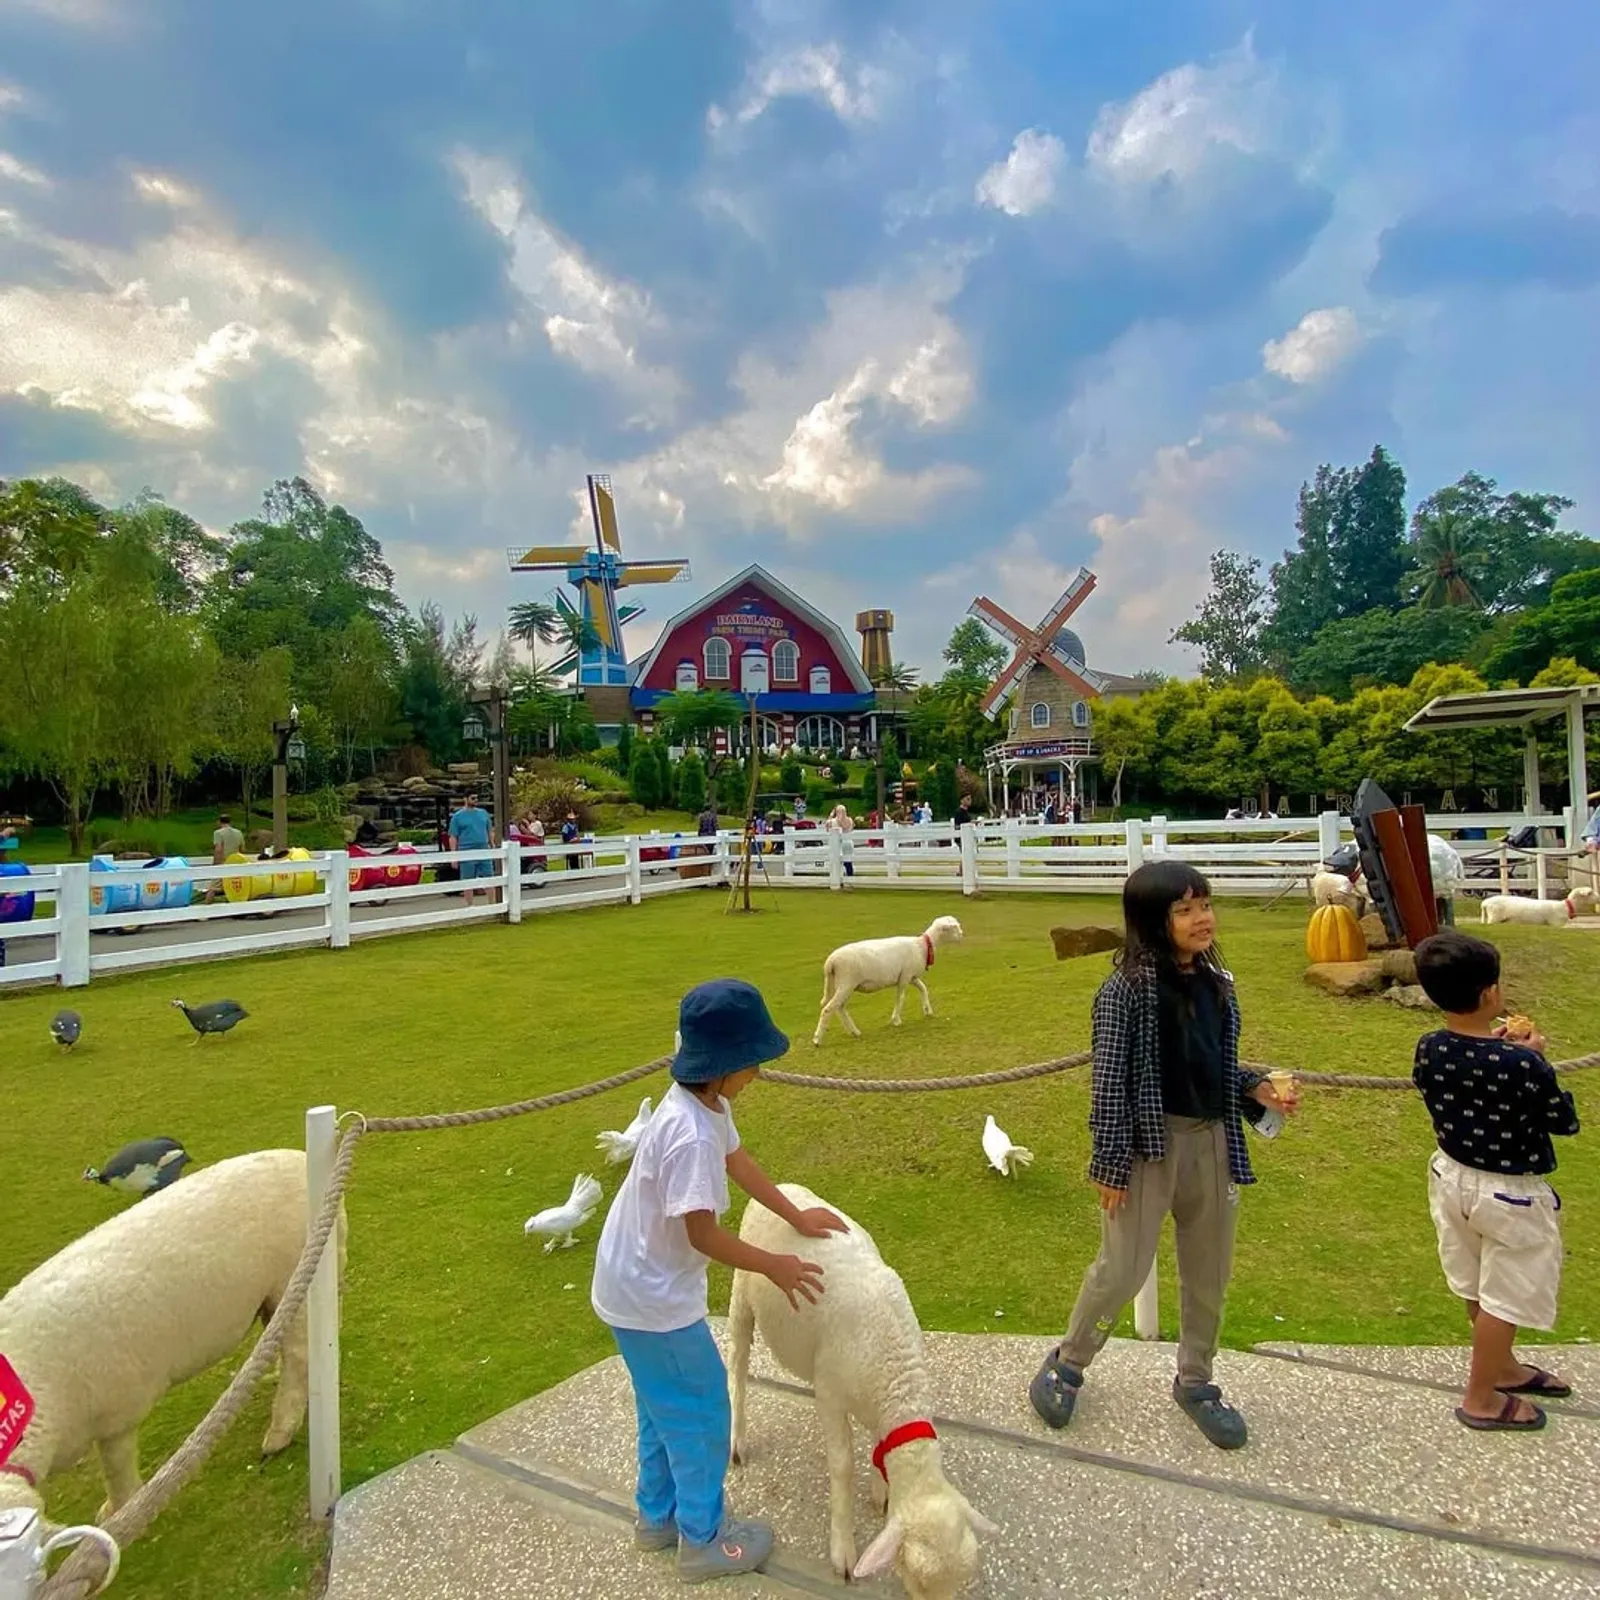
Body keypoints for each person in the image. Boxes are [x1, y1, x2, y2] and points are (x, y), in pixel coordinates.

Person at [1028, 860, 1299, 1450]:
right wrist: (1110, 1160)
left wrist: (1256, 1086)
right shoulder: (1123, 991)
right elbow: (1109, 1081)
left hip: (1214, 1142)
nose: (1203, 918)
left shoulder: (1217, 982)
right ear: (1154, 920)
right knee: (1121, 1269)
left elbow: (1214, 1065)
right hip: (1149, 1147)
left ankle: (1196, 1380)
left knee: (1210, 1272)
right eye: (1185, 909)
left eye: (1205, 904)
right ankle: (1066, 1363)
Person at [591, 979, 848, 1581]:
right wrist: (775, 1265)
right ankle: (702, 1540)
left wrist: (792, 1213)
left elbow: (741, 1160)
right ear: (724, 1065)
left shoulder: (706, 1105)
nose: (757, 1070)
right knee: (703, 1412)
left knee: (662, 1409)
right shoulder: (688, 1136)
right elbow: (701, 1235)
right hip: (653, 1299)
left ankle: (656, 1517)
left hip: (630, 1284)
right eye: (751, 1059)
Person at [1411, 930, 1580, 1431]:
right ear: (1490, 995)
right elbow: (1562, 1119)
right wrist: (1536, 1056)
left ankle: (1501, 1366)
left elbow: (1451, 1081)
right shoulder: (1522, 1064)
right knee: (1505, 1294)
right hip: (1510, 1193)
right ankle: (1481, 1397)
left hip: (1452, 1177)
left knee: (1476, 1280)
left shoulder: (1431, 1047)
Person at [447, 793, 497, 905]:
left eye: (476, 798)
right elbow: (453, 837)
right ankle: (470, 907)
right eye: (473, 798)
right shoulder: (457, 816)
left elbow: (490, 831)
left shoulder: (483, 814)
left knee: (489, 877)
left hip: (484, 850)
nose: (475, 800)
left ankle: (492, 905)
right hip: (466, 851)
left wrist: (492, 845)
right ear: (465, 799)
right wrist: (453, 856)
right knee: (468, 880)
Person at [204, 812, 244, 903]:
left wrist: (215, 864)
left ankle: (205, 911)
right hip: (235, 863)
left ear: (219, 822)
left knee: (213, 888)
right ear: (230, 822)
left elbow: (218, 849)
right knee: (233, 888)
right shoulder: (239, 833)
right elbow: (242, 849)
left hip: (223, 862)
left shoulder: (218, 833)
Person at [826, 802, 855, 879]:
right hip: (848, 842)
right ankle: (850, 877)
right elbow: (851, 829)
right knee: (848, 861)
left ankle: (838, 878)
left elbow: (827, 827)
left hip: (838, 843)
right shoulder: (850, 820)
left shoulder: (833, 821)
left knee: (837, 861)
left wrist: (831, 815)